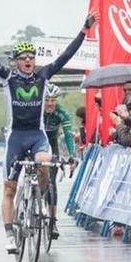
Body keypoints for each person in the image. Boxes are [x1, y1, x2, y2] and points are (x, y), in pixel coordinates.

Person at [0, 7, 97, 254]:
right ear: (16, 61)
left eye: (32, 58)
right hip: (16, 137)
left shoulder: (43, 75)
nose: (28, 61)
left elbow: (67, 55)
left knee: (44, 162)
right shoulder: (8, 78)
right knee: (9, 189)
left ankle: (43, 201)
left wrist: (84, 29)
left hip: (37, 136)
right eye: (23, 58)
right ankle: (9, 234)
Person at [42, 83, 77, 239]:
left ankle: (52, 221)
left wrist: (72, 155)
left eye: (53, 100)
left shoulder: (62, 113)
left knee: (51, 182)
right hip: (36, 143)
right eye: (47, 100)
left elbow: (69, 136)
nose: (50, 103)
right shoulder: (36, 111)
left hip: (52, 144)